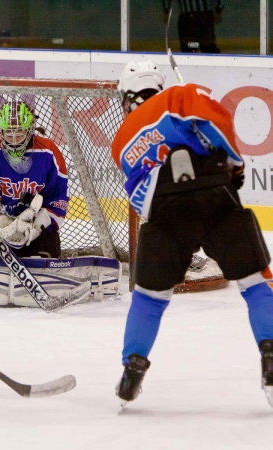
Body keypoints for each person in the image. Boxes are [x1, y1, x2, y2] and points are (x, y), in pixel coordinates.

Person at [111, 60, 273, 409]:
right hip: (213, 192)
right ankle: (272, 356)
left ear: (126, 97)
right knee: (256, 283)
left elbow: (141, 197)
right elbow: (218, 123)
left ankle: (132, 368)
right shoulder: (180, 95)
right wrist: (233, 165)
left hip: (164, 212)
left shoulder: (121, 140)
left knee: (150, 297)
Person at [0, 99, 69, 258]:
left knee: (47, 251)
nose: (15, 140)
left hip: (30, 230)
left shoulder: (48, 152)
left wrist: (36, 225)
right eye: (9, 133)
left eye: (20, 133)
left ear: (30, 130)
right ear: (0, 131)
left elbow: (57, 199)